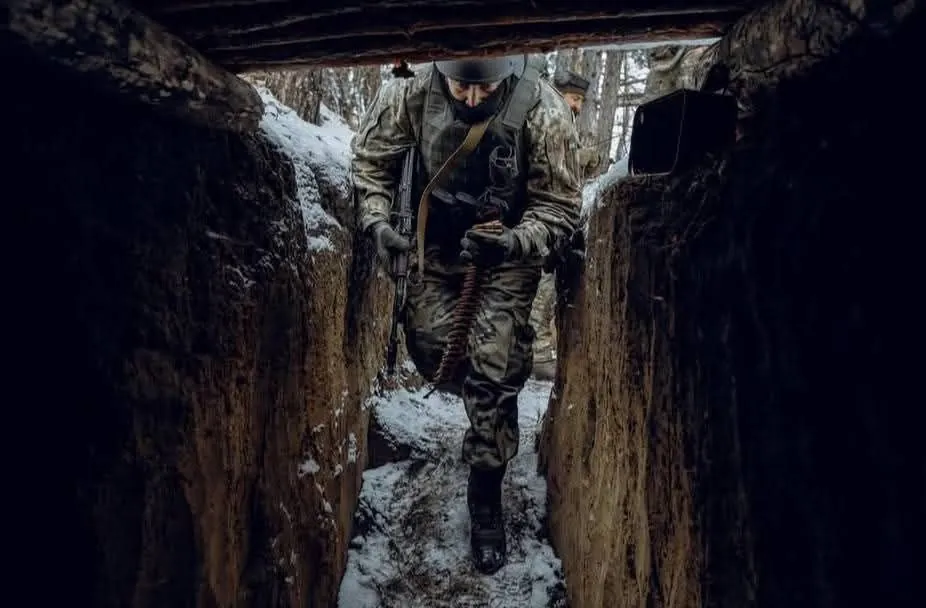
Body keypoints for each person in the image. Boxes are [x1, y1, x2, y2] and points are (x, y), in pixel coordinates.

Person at [351, 54, 581, 574]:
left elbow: (561, 206)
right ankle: (483, 397)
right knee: (434, 348)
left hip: (508, 251)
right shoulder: (407, 95)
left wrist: (516, 242)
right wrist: (377, 222)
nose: (473, 100)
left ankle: (486, 488)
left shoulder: (543, 108)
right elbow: (369, 162)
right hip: (435, 246)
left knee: (494, 364)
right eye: (460, 90)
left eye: (484, 90)